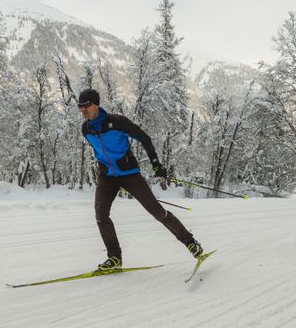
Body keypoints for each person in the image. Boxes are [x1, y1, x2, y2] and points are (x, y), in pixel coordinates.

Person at [78, 88, 203, 269]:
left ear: (96, 104)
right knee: (100, 215)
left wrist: (156, 164)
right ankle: (115, 258)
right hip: (107, 177)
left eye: (86, 105)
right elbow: (99, 151)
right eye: (80, 106)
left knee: (156, 211)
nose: (83, 110)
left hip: (129, 174)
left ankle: (190, 242)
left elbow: (145, 138)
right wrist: (104, 166)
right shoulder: (86, 129)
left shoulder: (117, 122)